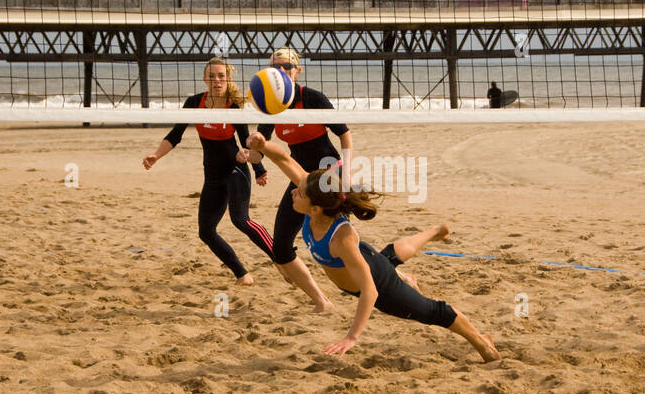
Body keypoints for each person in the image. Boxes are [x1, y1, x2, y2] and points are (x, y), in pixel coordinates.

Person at [246, 130, 500, 362]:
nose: (292, 192)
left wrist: (351, 338)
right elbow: (285, 161)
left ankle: (483, 343)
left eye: (297, 193)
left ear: (315, 208)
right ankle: (433, 232)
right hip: (364, 259)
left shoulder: (341, 239)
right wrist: (264, 145)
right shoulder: (313, 199)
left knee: (433, 312)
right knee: (389, 256)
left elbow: (370, 292)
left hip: (379, 283)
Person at [143, 58, 273, 285]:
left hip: (236, 170)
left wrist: (259, 168)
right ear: (205, 79)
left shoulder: (233, 105)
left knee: (240, 221)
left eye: (221, 76)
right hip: (212, 175)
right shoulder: (194, 103)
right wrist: (156, 156)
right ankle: (243, 275)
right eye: (212, 76)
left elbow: (245, 139)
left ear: (228, 79)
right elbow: (176, 134)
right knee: (206, 232)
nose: (216, 80)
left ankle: (280, 259)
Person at [252, 47, 353, 312]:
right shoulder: (270, 105)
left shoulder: (312, 97)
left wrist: (348, 172)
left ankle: (397, 279)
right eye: (276, 68)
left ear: (298, 70)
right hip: (299, 178)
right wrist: (249, 156)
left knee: (340, 247)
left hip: (329, 172)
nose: (282, 71)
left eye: (287, 66)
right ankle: (322, 302)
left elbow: (344, 133)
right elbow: (260, 148)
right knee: (281, 249)